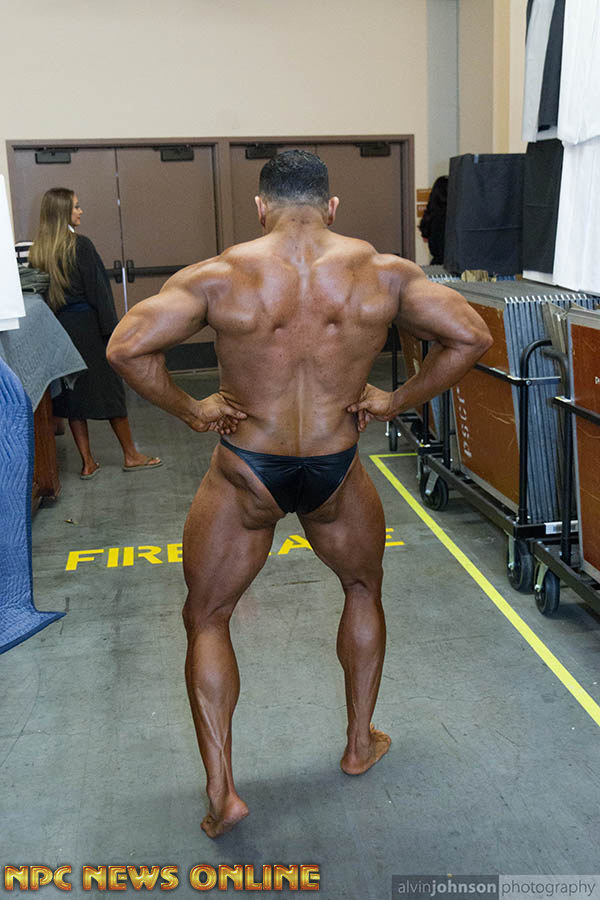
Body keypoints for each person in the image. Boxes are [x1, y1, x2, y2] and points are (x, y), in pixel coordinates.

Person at [107, 150, 492, 838]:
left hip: (247, 469)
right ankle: (358, 743)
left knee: (208, 617)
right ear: (331, 206)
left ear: (261, 207)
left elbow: (126, 347)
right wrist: (396, 399)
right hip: (334, 466)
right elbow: (471, 336)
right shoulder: (384, 273)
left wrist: (193, 411)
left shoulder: (220, 275)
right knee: (363, 588)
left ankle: (224, 794)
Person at [29, 188, 161, 478]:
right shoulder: (81, 246)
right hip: (89, 328)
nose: (80, 211)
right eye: (76, 207)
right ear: (63, 211)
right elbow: (99, 292)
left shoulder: (38, 252)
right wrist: (113, 332)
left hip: (60, 332)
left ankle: (88, 463)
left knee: (73, 397)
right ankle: (131, 455)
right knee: (111, 391)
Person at [419, 174, 448, 265]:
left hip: (436, 265)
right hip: (453, 266)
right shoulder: (455, 218)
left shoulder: (430, 216)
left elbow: (425, 238)